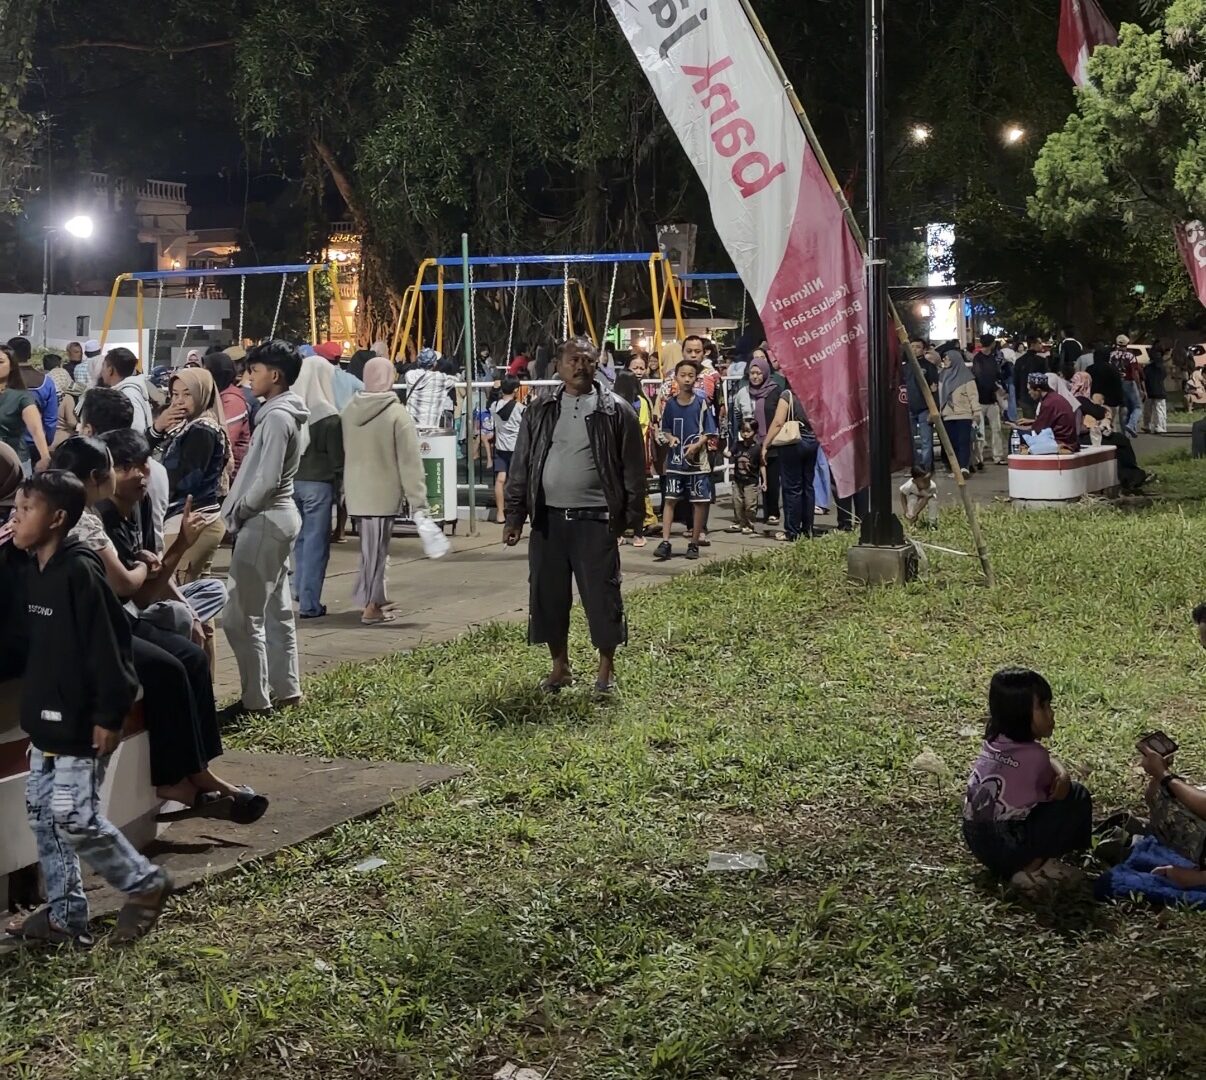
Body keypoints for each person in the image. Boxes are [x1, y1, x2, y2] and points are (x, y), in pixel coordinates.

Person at [3, 470, 172, 946]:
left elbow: (111, 646)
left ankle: (145, 885)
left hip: (82, 725)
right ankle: (65, 916)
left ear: (57, 518)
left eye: (25, 511)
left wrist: (108, 715)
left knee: (75, 817)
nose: (14, 520)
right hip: (47, 726)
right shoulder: (30, 566)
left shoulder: (79, 570)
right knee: (45, 819)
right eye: (14, 510)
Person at [503, 337, 645, 695]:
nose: (579, 366)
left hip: (596, 521)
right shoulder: (538, 409)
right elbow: (521, 465)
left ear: (597, 364)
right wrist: (515, 515)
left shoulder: (617, 410)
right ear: (558, 365)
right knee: (548, 596)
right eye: (572, 359)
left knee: (602, 597)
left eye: (587, 359)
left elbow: (633, 471)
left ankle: (606, 669)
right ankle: (559, 666)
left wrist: (631, 519)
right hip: (548, 521)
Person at [221, 341, 309, 715]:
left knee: (240, 617)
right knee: (277, 611)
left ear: (275, 375)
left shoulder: (275, 417)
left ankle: (255, 702)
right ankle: (287, 690)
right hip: (280, 516)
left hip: (266, 518)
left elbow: (267, 479)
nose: (247, 377)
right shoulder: (286, 412)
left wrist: (239, 512)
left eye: (254, 371)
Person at [962, 668, 1091, 890]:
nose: (1051, 714)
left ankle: (1023, 866)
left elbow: (1046, 761)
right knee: (1077, 795)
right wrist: (1064, 777)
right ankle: (1035, 867)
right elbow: (1056, 791)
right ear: (1019, 713)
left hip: (978, 842)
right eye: (1043, 707)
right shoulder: (1035, 757)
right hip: (1010, 848)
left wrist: (1062, 772)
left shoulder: (993, 740)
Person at [341, 357, 448, 625]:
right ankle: (371, 606)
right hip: (383, 492)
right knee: (377, 553)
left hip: (356, 491)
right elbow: (410, 462)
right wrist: (419, 502)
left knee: (370, 551)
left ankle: (373, 597)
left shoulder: (348, 410)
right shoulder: (396, 414)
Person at [147, 368, 231, 581]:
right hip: (195, 520)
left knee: (174, 591)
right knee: (196, 598)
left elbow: (186, 479)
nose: (179, 401)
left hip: (189, 521)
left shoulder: (202, 430)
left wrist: (153, 478)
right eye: (175, 394)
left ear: (203, 394)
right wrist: (158, 428)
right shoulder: (188, 426)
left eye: (187, 394)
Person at [290, 355, 344, 619]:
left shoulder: (293, 410)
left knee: (298, 541)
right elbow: (337, 459)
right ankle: (310, 603)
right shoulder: (329, 417)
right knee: (316, 544)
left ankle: (298, 589)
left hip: (292, 483)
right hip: (319, 486)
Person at [655, 358, 717, 560]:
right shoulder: (671, 405)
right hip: (675, 462)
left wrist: (697, 445)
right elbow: (665, 430)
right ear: (676, 378)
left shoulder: (701, 404)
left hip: (697, 463)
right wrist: (671, 439)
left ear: (696, 378)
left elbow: (709, 431)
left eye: (691, 375)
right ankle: (665, 541)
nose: (687, 379)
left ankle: (694, 541)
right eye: (683, 375)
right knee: (670, 500)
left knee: (699, 502)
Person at [762, 378, 818, 541]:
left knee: (792, 488)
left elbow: (779, 422)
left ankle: (792, 531)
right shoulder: (813, 393)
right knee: (808, 486)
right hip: (812, 441)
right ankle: (808, 529)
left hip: (793, 443)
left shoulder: (788, 395)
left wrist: (766, 444)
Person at [734, 352, 781, 524]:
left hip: (771, 442)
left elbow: (779, 417)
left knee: (771, 479)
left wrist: (769, 439)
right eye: (752, 373)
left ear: (765, 373)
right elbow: (738, 416)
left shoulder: (775, 391)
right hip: (749, 444)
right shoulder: (742, 392)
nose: (755, 376)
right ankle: (746, 516)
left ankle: (772, 512)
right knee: (747, 480)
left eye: (758, 373)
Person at [613, 370, 657, 545]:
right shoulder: (641, 402)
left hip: (616, 452)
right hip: (636, 452)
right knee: (636, 492)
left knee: (617, 492)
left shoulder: (612, 402)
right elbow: (644, 427)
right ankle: (638, 534)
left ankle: (618, 533)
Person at [0, 344, 51, 474]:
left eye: (0, 362)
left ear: (12, 366)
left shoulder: (21, 397)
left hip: (14, 462)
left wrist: (45, 456)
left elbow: (36, 429)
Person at [202, 350, 252, 479]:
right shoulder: (218, 397)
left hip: (233, 476)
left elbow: (226, 438)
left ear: (217, 373)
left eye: (207, 372)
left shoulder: (231, 400)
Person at [8, 338, 58, 459]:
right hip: (35, 445)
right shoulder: (46, 382)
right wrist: (47, 441)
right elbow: (51, 419)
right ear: (30, 354)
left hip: (7, 445)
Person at [489, 373, 525, 529]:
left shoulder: (494, 406)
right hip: (517, 449)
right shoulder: (520, 408)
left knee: (500, 480)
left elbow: (491, 405)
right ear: (516, 390)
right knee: (520, 481)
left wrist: (493, 390)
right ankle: (520, 512)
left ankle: (500, 513)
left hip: (501, 448)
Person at [937, 346, 977, 477]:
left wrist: (976, 412)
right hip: (947, 414)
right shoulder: (942, 376)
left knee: (963, 441)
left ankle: (964, 467)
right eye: (944, 359)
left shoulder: (966, 377)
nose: (945, 361)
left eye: (947, 359)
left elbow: (973, 396)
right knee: (952, 443)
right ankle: (955, 468)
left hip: (963, 414)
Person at [1015, 372, 1079, 454]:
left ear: (1038, 390)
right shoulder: (1054, 397)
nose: (1029, 393)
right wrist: (1032, 421)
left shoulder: (1048, 403)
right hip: (1068, 438)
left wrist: (1018, 427)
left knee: (1015, 434)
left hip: (1060, 440)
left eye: (1030, 390)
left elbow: (1039, 428)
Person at [98, 347, 154, 434]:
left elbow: (137, 430)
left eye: (103, 365)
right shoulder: (128, 390)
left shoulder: (128, 394)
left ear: (110, 370)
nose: (101, 371)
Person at [905, 338, 939, 472]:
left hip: (925, 408)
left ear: (924, 350)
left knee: (926, 440)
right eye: (911, 346)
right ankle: (915, 467)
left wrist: (934, 409)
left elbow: (934, 390)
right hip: (908, 408)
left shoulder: (929, 367)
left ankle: (926, 467)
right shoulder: (905, 367)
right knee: (910, 441)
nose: (914, 349)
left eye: (917, 347)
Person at [973, 334, 1008, 465]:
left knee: (996, 429)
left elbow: (997, 375)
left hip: (991, 399)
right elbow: (981, 378)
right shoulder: (979, 359)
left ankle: (997, 456)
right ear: (992, 343)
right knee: (980, 431)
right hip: (980, 399)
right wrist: (996, 388)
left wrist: (1002, 387)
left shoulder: (991, 359)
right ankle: (979, 458)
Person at [726, 415, 764, 534]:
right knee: (737, 502)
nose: (745, 434)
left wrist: (764, 481)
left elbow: (762, 465)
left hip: (751, 482)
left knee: (749, 504)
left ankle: (750, 524)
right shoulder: (738, 444)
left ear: (755, 432)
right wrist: (725, 452)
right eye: (743, 431)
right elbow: (729, 453)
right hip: (738, 480)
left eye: (748, 431)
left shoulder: (757, 448)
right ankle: (739, 522)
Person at [404, 348, 459, 429]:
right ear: (434, 363)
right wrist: (441, 359)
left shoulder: (409, 375)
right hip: (429, 426)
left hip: (412, 427)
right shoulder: (439, 378)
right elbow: (456, 379)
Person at [315, 340, 364, 410]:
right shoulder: (349, 378)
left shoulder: (316, 378)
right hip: (346, 418)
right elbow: (367, 391)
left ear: (322, 358)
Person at [1013, 337, 1046, 420]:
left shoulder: (1020, 361)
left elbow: (1016, 380)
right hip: (1038, 396)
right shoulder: (1041, 361)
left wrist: (1017, 396)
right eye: (1039, 343)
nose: (1041, 345)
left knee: (1028, 421)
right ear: (1033, 344)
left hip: (1024, 396)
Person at [1143, 346, 1168, 434]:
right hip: (1160, 391)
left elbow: (1144, 378)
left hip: (1149, 391)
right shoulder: (1162, 368)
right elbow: (1164, 377)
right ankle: (1160, 427)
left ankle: (1147, 425)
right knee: (1160, 410)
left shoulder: (1147, 368)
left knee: (1147, 410)